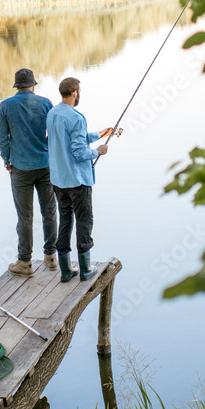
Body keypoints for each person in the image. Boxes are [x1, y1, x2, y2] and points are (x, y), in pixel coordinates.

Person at [46, 77, 118, 283]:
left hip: (59, 180)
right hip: (77, 180)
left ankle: (66, 270)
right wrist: (98, 151)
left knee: (65, 220)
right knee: (85, 221)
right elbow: (78, 151)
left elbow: (70, 138)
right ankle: (86, 269)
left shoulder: (52, 113)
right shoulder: (77, 117)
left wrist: (101, 133)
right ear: (75, 92)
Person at [0, 68, 59, 276]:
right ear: (33, 85)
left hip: (20, 168)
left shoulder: (5, 106)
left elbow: (3, 138)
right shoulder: (45, 103)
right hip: (45, 165)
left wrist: (7, 160)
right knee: (49, 211)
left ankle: (25, 262)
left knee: (25, 216)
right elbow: (53, 134)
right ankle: (51, 257)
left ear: (16, 85)